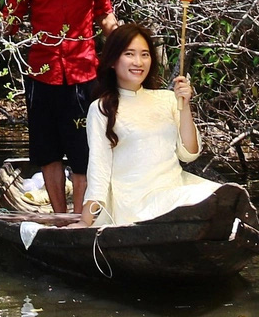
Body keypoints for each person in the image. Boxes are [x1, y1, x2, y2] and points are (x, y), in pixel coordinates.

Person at [4, 0, 121, 215]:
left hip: (83, 72)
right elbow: (11, 24)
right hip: (42, 73)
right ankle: (59, 216)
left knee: (84, 151)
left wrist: (123, 40)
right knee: (48, 150)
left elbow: (104, 14)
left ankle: (80, 218)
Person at [79, 23, 219, 227]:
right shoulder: (102, 108)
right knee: (199, 199)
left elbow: (189, 153)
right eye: (129, 54)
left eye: (144, 54)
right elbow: (98, 169)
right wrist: (85, 221)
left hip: (174, 191)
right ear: (113, 61)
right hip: (135, 204)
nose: (138, 62)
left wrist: (185, 106)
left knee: (220, 194)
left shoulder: (168, 99)